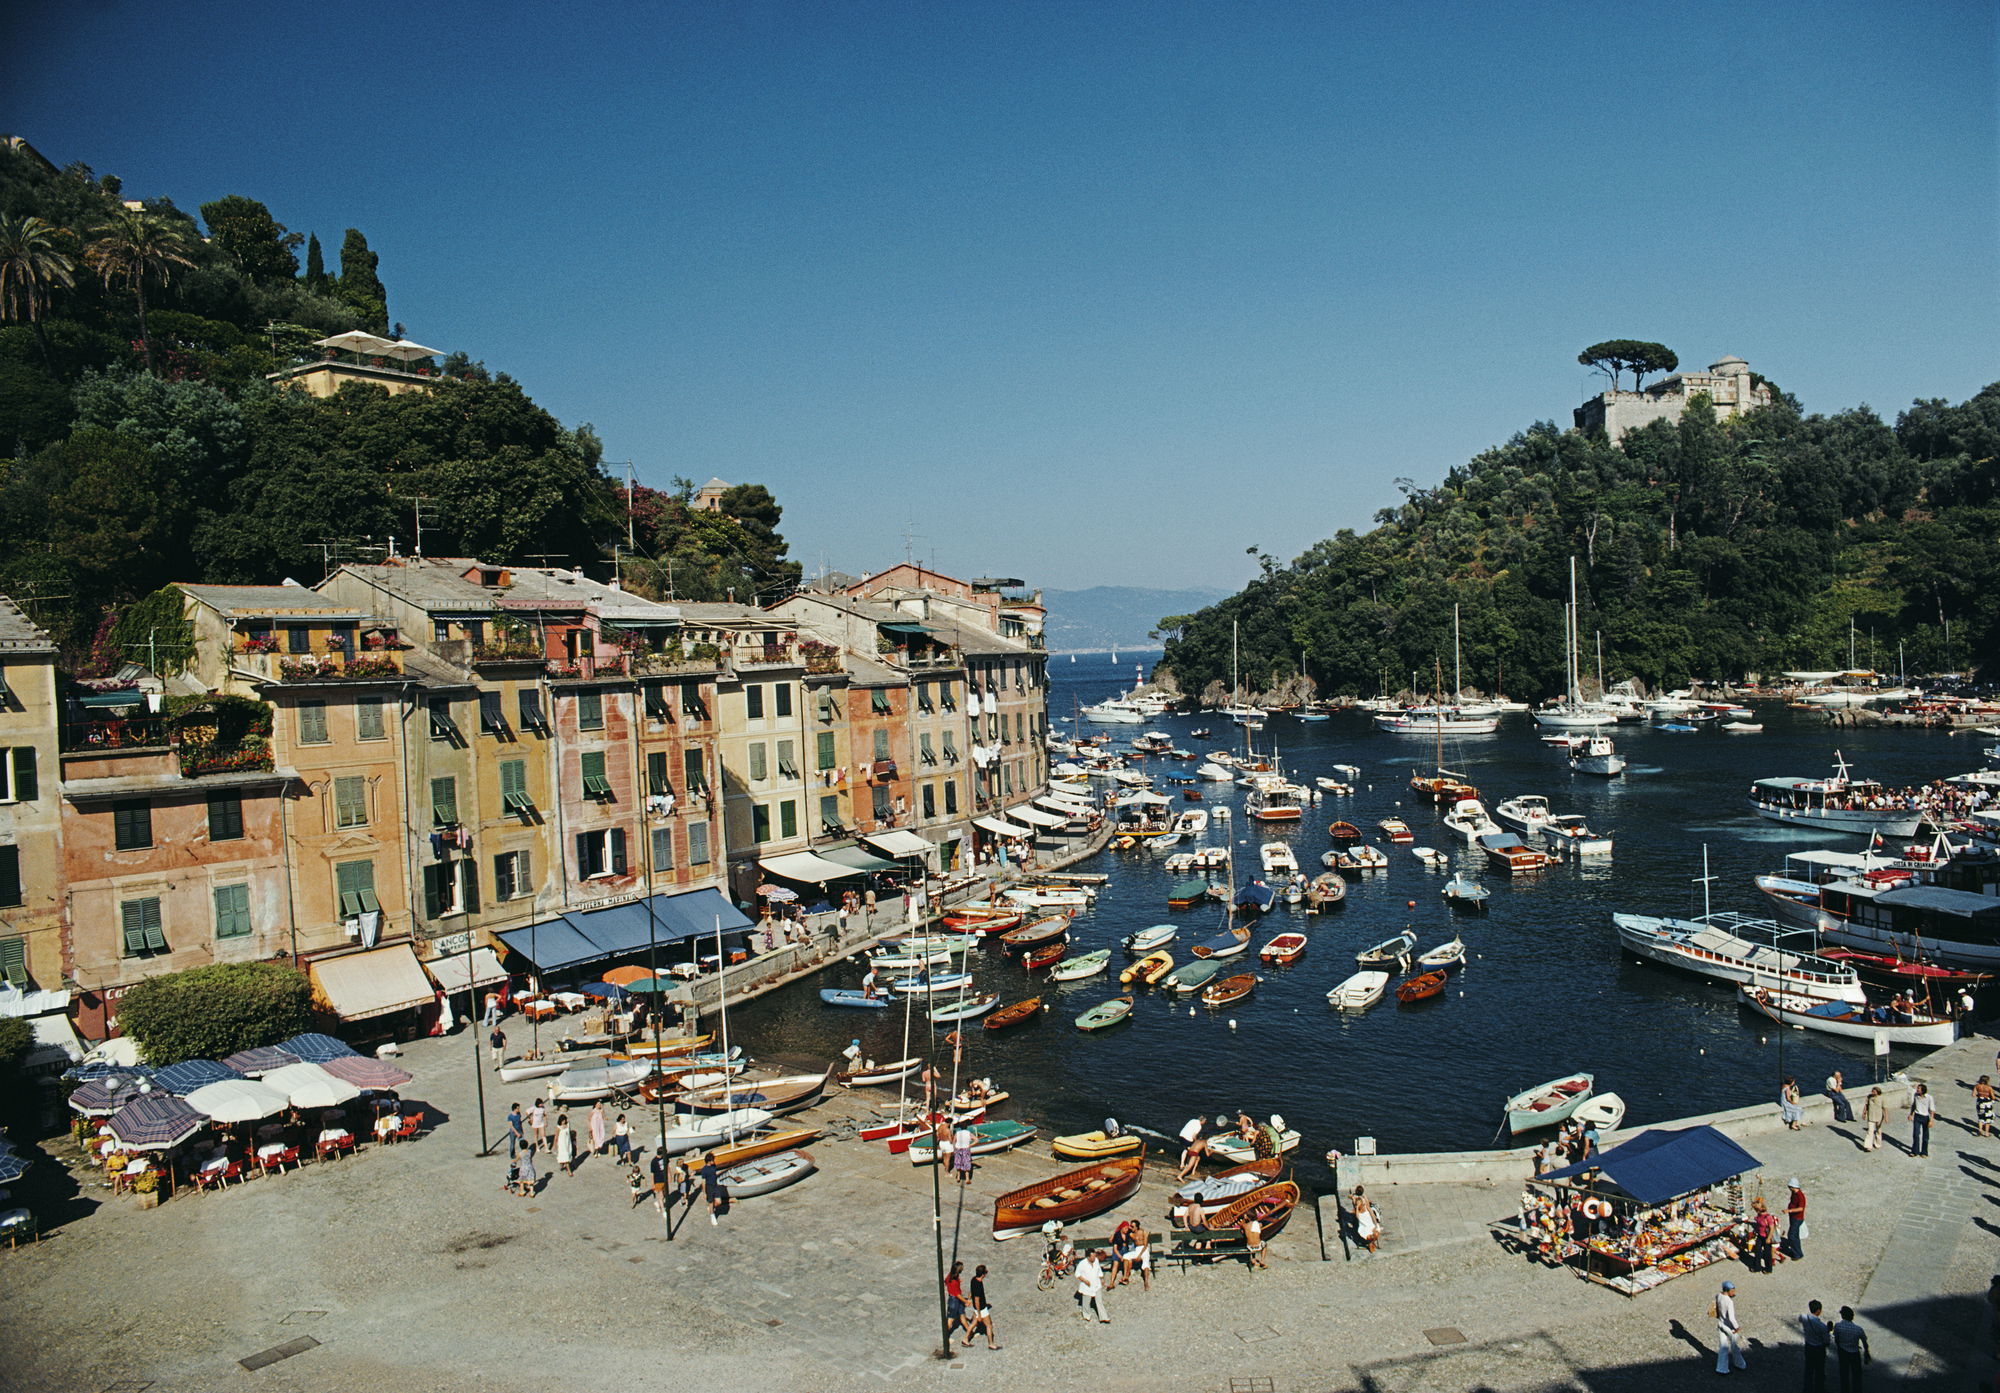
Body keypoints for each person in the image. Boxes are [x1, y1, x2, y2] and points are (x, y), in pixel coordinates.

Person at [1830, 1306, 1869, 1390]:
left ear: (1842, 1316)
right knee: (1856, 1374)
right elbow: (1864, 1342)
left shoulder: (1838, 1326)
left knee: (1844, 1373)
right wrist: (1866, 1353)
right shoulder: (1858, 1329)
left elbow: (1836, 1339)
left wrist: (1839, 1346)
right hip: (1854, 1353)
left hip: (1843, 1352)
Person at [962, 1264, 999, 1349]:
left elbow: (971, 1291)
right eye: (986, 1272)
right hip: (981, 1309)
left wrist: (968, 1299)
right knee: (989, 1325)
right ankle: (991, 1343)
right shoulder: (979, 1284)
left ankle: (965, 1339)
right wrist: (979, 1314)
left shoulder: (973, 1279)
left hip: (976, 1308)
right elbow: (977, 1300)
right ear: (983, 1274)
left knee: (973, 1323)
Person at [1715, 1279, 1747, 1374]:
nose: (1734, 1292)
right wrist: (1737, 1327)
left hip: (1721, 1324)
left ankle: (1722, 1368)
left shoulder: (1718, 1296)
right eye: (1732, 1290)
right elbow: (1731, 1318)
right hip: (1729, 1327)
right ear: (1727, 1290)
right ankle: (1740, 1364)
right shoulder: (1729, 1302)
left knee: (1723, 1346)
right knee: (1734, 1346)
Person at [1800, 1299, 1831, 1393]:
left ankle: (1807, 1389)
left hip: (1808, 1346)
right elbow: (1826, 1341)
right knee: (1820, 1370)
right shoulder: (1822, 1326)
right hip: (1818, 1349)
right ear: (1818, 1311)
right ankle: (1819, 1389)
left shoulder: (1804, 1318)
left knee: (1808, 1369)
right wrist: (1828, 1330)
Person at [1075, 1249, 1109, 1323]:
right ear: (1088, 1257)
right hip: (1087, 1286)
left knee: (1099, 1301)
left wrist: (1102, 1278)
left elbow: (1099, 1270)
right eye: (1093, 1257)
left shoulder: (1096, 1261)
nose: (1094, 1258)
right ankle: (1086, 1315)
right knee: (1086, 1302)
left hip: (1097, 1284)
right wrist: (1085, 1281)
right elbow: (1077, 1274)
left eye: (1095, 1256)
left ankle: (1103, 1317)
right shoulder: (1082, 1264)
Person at [1749, 1196, 1776, 1274]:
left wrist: (1769, 1238)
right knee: (1757, 1251)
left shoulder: (1768, 1217)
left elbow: (1772, 1228)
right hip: (1760, 1236)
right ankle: (1757, 1267)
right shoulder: (1759, 1216)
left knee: (1767, 1254)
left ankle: (1768, 1269)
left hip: (1766, 1237)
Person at [1783, 1180, 1807, 1263]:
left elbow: (1801, 1208)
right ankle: (1798, 1252)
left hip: (1797, 1218)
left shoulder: (1800, 1196)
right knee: (1795, 1236)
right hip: (1793, 1217)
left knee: (1791, 1235)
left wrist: (1789, 1210)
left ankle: (1797, 1253)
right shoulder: (1794, 1194)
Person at [1352, 1187, 1381, 1253]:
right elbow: (1358, 1217)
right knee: (1369, 1234)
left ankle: (1371, 1242)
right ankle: (1371, 1243)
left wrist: (1375, 1223)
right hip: (1363, 1223)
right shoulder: (1358, 1209)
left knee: (1376, 1233)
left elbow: (1371, 1212)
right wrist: (1356, 1207)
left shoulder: (1365, 1204)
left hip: (1368, 1220)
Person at [1909, 1082, 1935, 1156]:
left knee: (1925, 1136)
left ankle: (1924, 1152)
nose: (1917, 1089)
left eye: (1918, 1088)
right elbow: (1914, 1105)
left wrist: (1931, 1121)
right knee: (1916, 1134)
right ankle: (1915, 1151)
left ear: (1923, 1090)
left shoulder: (1929, 1097)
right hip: (1917, 1116)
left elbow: (1932, 1110)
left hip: (1925, 1117)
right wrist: (1911, 1114)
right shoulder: (1915, 1095)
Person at [700, 1152, 724, 1225]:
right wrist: (704, 1192)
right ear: (709, 1161)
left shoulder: (714, 1166)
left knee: (719, 1201)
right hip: (709, 1187)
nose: (714, 1161)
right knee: (710, 1202)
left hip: (715, 1185)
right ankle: (712, 1216)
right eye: (712, 1160)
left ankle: (711, 1208)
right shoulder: (704, 1170)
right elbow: (703, 1182)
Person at [1861, 1087, 1887, 1152]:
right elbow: (1866, 1105)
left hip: (1879, 1116)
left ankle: (1877, 1144)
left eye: (1874, 1091)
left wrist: (1886, 1117)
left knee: (1878, 1131)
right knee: (1870, 1131)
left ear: (1877, 1092)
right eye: (1872, 1091)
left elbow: (1885, 1108)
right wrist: (1864, 1113)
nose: (1872, 1092)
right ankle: (1868, 1146)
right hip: (1871, 1116)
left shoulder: (1882, 1098)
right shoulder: (1869, 1097)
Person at [944, 1260, 966, 1329]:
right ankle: (946, 1337)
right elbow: (957, 1295)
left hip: (955, 1299)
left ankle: (969, 1331)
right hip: (954, 1301)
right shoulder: (954, 1282)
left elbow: (946, 1281)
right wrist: (966, 1301)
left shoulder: (950, 1275)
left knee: (962, 1316)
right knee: (950, 1319)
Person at [1974, 1074, 1996, 1139]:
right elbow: (1993, 1097)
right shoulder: (1989, 1088)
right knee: (1988, 1119)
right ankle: (1986, 1133)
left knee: (1980, 1117)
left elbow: (1973, 1094)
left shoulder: (1977, 1086)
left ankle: (1980, 1130)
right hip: (1987, 1104)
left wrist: (1980, 1096)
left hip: (1980, 1102)